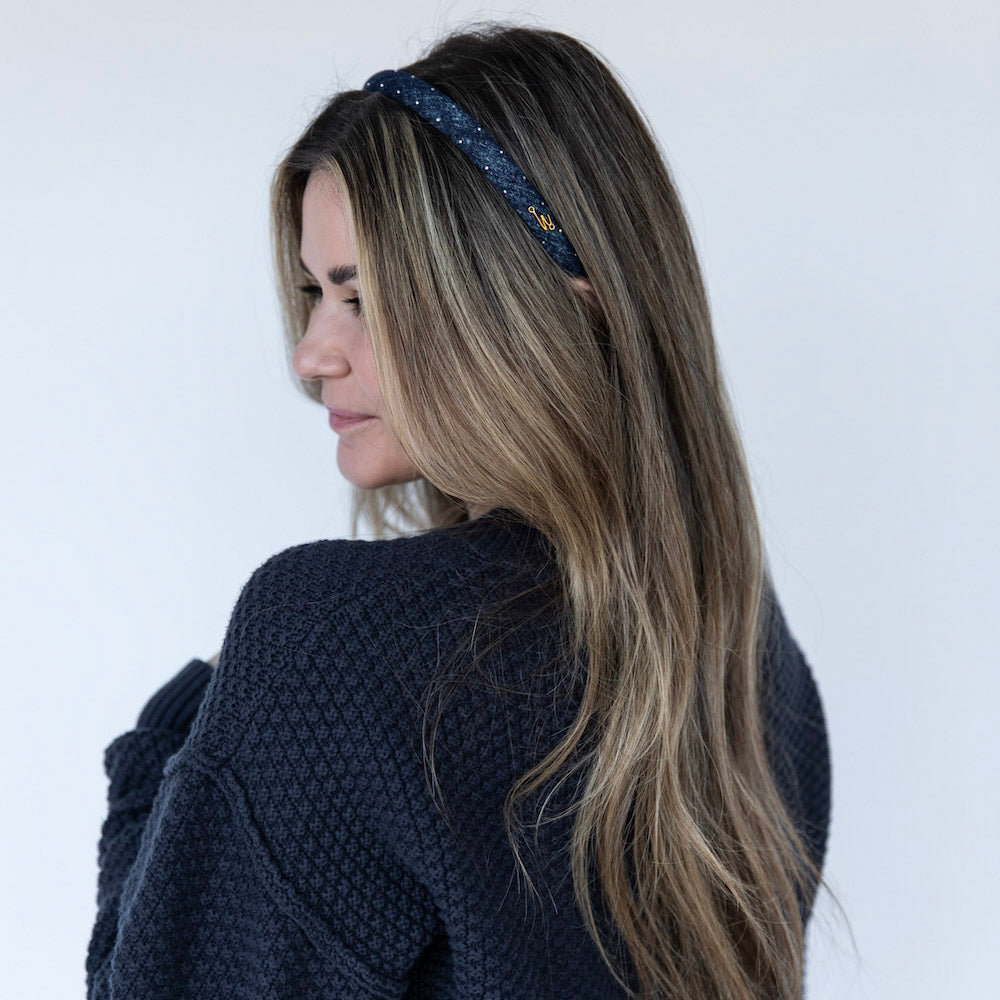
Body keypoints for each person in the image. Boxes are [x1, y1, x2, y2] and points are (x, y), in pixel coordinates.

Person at [86, 21, 831, 1000]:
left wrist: (168, 746)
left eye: (361, 297)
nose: (310, 354)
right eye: (312, 292)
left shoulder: (334, 647)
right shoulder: (748, 664)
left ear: (555, 303)